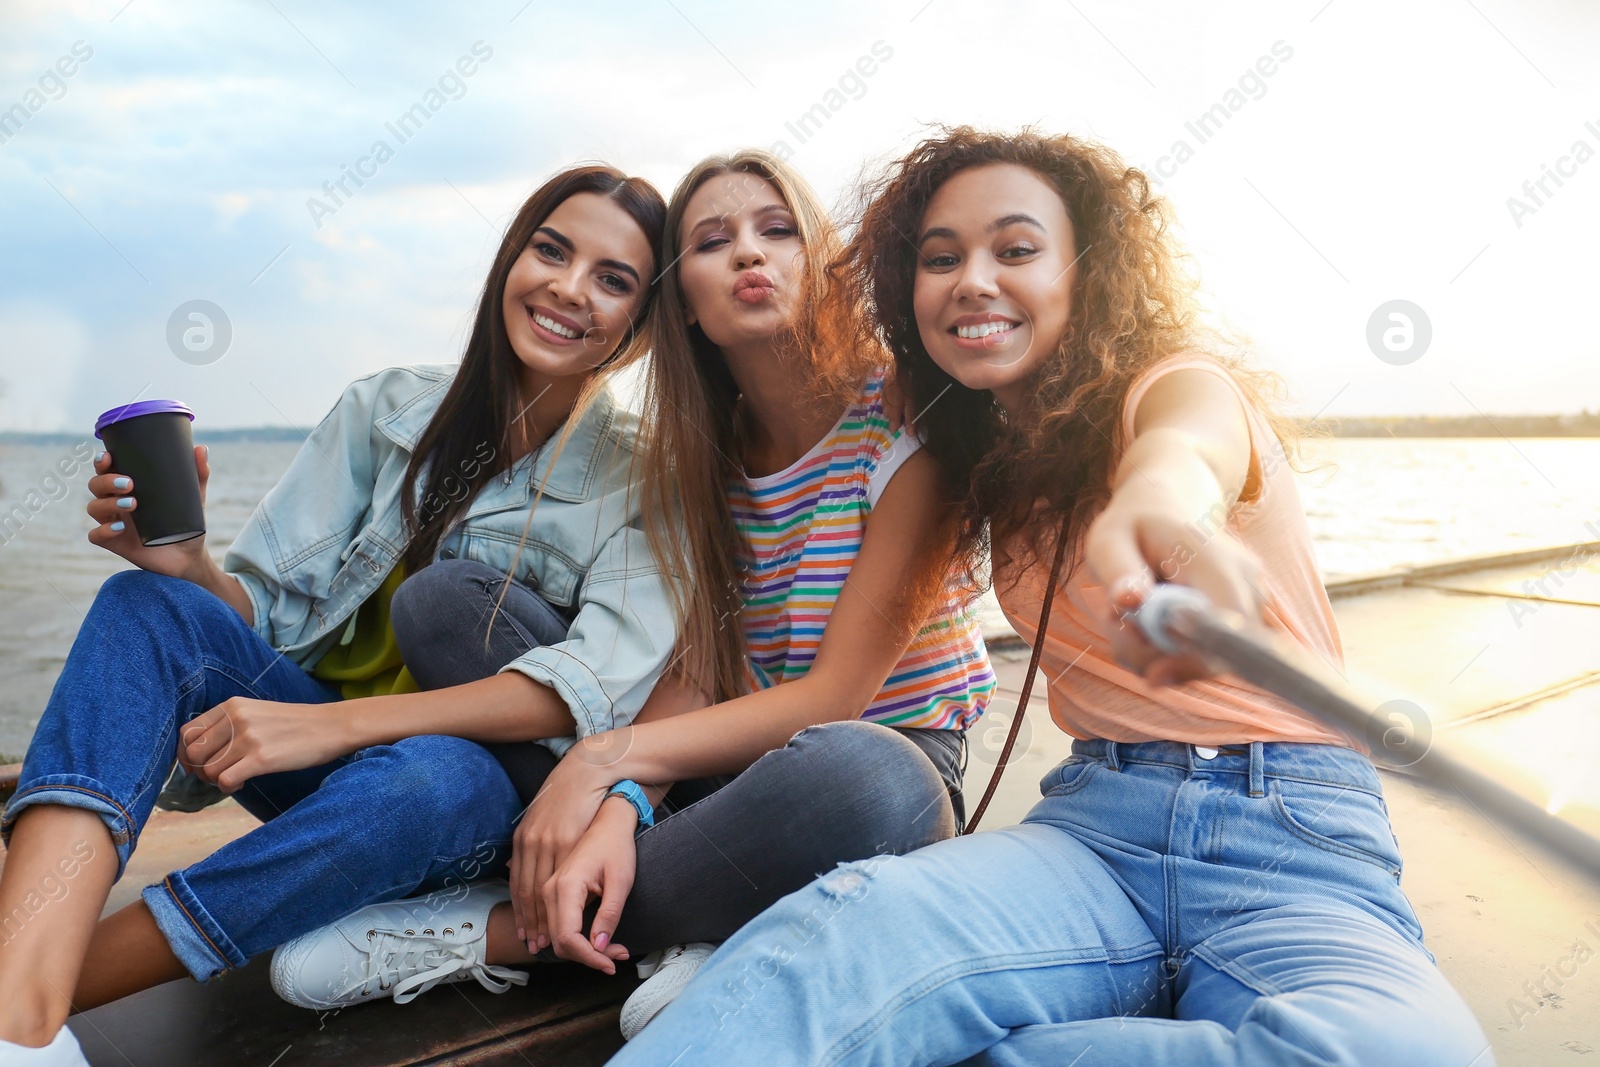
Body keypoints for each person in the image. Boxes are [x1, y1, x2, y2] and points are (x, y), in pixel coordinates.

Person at [606, 128, 1494, 1065]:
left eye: (1017, 249)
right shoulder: (985, 461)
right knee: (842, 936)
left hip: (1292, 836)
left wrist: (1161, 517)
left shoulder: (1176, 385)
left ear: (1087, 272)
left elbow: (1183, 452)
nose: (973, 279)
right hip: (1095, 829)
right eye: (940, 258)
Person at [285, 149, 996, 1042]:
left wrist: (600, 765)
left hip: (863, 763)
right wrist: (629, 797)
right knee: (445, 603)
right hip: (707, 764)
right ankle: (698, 906)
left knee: (872, 775)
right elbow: (696, 669)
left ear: (821, 263)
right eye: (712, 240)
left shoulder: (907, 424)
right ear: (683, 304)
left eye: (778, 231)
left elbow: (832, 699)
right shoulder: (697, 453)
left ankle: (501, 927)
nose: (749, 254)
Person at [0, 164, 674, 1066]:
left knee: (428, 777)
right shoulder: (382, 408)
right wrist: (188, 564)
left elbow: (586, 691)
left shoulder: (644, 475)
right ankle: (20, 1017)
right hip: (319, 763)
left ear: (638, 326)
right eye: (551, 250)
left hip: (479, 800)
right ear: (511, 256)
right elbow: (261, 623)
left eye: (613, 278)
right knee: (146, 606)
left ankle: (42, 993)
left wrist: (324, 730)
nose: (568, 287)